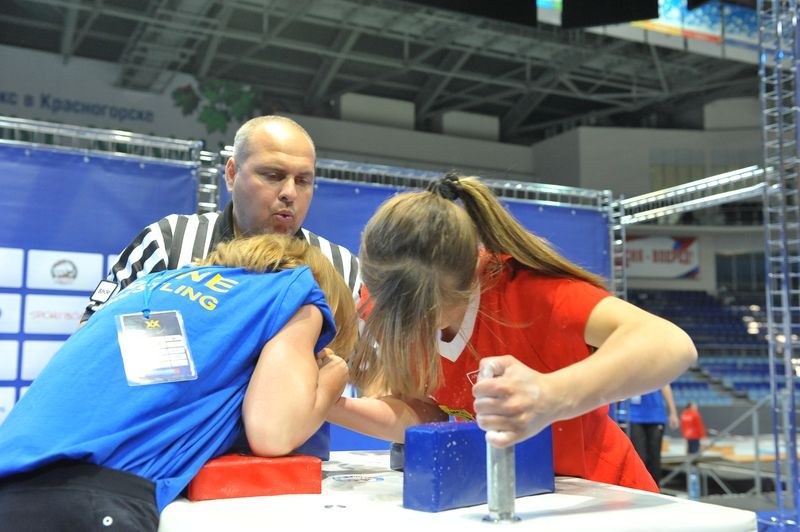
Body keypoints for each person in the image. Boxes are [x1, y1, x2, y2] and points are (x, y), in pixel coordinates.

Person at [328, 173, 697, 493]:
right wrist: (329, 405)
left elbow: (671, 343)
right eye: (395, 316)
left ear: (472, 273)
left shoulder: (532, 294)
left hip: (602, 497)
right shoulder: (389, 299)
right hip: (507, 494)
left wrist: (551, 395)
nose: (408, 329)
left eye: (423, 315)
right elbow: (427, 416)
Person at [0, 234, 357, 531]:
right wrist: (332, 376)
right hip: (91, 499)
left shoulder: (154, 283)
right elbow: (273, 433)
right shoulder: (295, 289)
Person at [81, 114, 360, 323]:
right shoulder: (168, 243)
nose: (289, 192)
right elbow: (92, 331)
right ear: (231, 174)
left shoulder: (341, 267)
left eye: (303, 180)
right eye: (273, 175)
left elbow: (375, 368)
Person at [622, 385, 679, 487]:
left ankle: (655, 491)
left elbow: (665, 384)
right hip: (634, 416)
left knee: (654, 460)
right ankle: (640, 490)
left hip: (655, 416)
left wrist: (673, 412)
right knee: (640, 458)